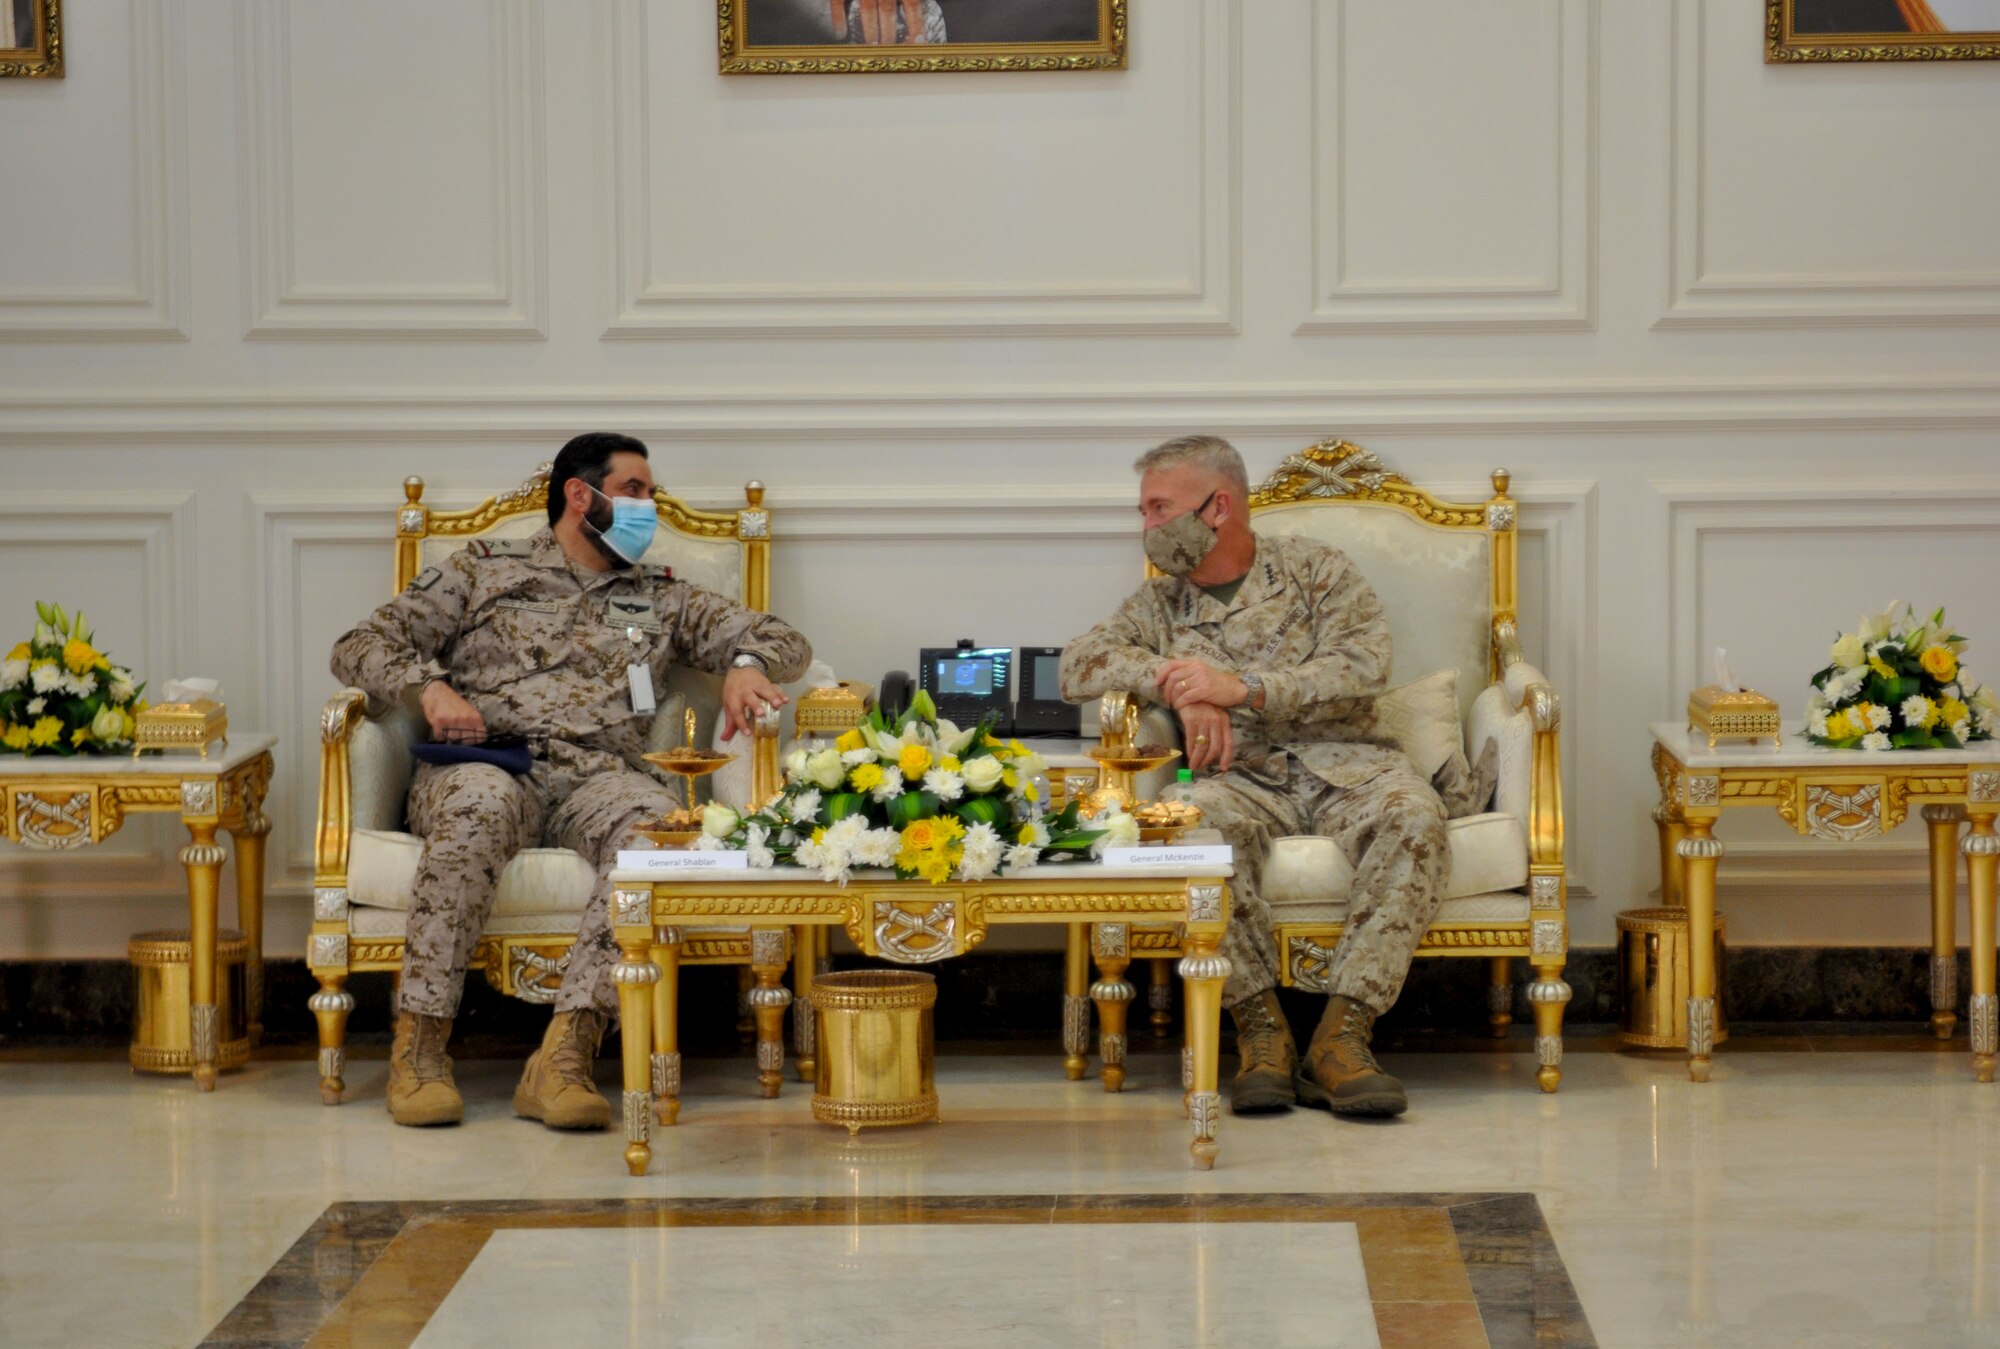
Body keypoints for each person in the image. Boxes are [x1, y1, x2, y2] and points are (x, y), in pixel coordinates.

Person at [330, 433, 811, 1129]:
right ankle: (421, 1048)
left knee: (655, 835)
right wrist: (429, 690)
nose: (651, 507)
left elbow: (786, 640)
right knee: (478, 810)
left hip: (601, 776)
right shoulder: (483, 569)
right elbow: (358, 646)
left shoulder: (663, 598)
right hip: (491, 764)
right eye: (637, 491)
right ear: (581, 496)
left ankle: (564, 1057)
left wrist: (742, 661)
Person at [1061, 435, 1455, 1120]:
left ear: (1217, 507)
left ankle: (1343, 1037)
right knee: (1196, 827)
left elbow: (1363, 664)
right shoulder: (1161, 607)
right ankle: (1261, 1035)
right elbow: (1077, 665)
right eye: (1144, 511)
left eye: (1159, 508)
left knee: (1415, 815)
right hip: (1235, 776)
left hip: (1349, 763)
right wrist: (1179, 684)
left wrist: (1241, 686)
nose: (1147, 527)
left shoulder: (1315, 570)